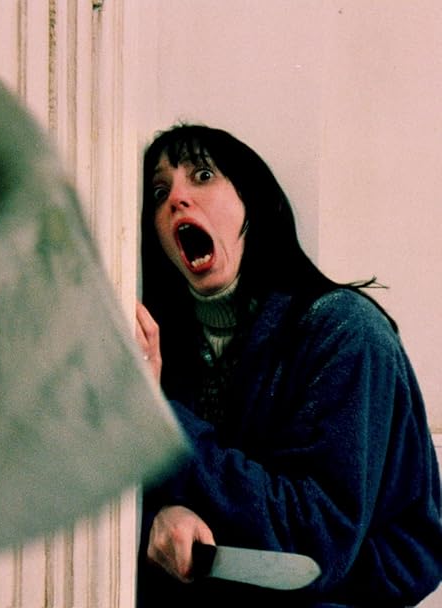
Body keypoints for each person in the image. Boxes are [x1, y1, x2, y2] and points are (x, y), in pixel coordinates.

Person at [133, 124, 442, 606]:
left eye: (203, 175)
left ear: (251, 202)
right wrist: (162, 516)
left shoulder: (345, 332)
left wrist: (160, 417)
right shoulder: (167, 345)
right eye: (159, 191)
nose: (177, 198)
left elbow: (314, 540)